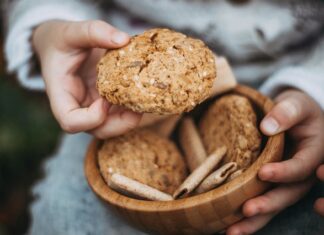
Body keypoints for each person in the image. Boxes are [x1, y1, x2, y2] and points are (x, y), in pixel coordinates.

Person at [3, 0, 324, 234]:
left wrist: (314, 88)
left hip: (298, 88)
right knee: (64, 215)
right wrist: (49, 28)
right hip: (111, 93)